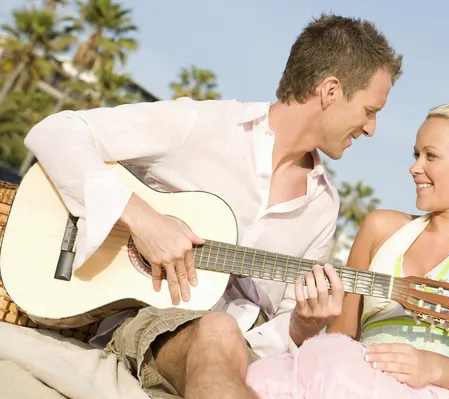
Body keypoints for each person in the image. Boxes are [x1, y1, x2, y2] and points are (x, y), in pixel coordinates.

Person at [22, 13, 403, 399]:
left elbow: (286, 322)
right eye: (370, 111)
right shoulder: (204, 126)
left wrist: (302, 326)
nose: (370, 128)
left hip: (245, 356)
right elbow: (56, 132)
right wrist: (142, 219)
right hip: (152, 327)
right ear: (331, 90)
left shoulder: (323, 205)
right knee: (221, 330)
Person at [245, 103, 449, 398]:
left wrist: (429, 366)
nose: (415, 167)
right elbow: (342, 334)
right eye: (416, 154)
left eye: (430, 156)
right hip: (353, 377)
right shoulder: (381, 229)